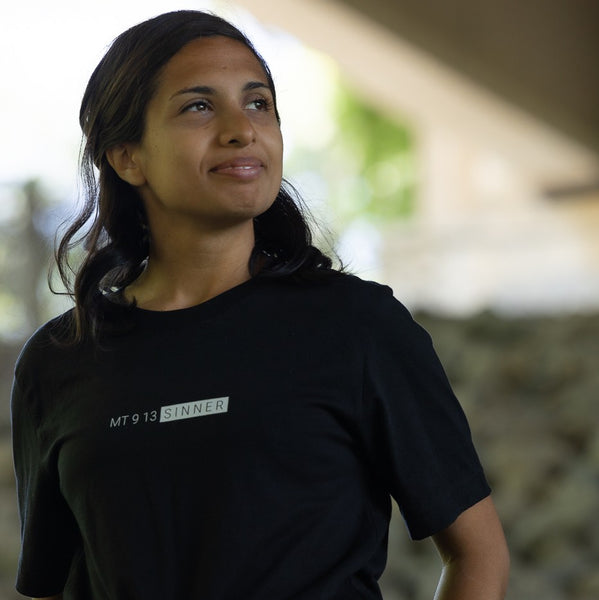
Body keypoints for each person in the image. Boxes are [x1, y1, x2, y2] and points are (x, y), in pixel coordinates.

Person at [11, 10, 509, 600]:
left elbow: (479, 556)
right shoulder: (58, 361)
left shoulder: (358, 327)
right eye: (199, 106)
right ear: (126, 157)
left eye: (258, 104)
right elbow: (54, 584)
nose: (241, 129)